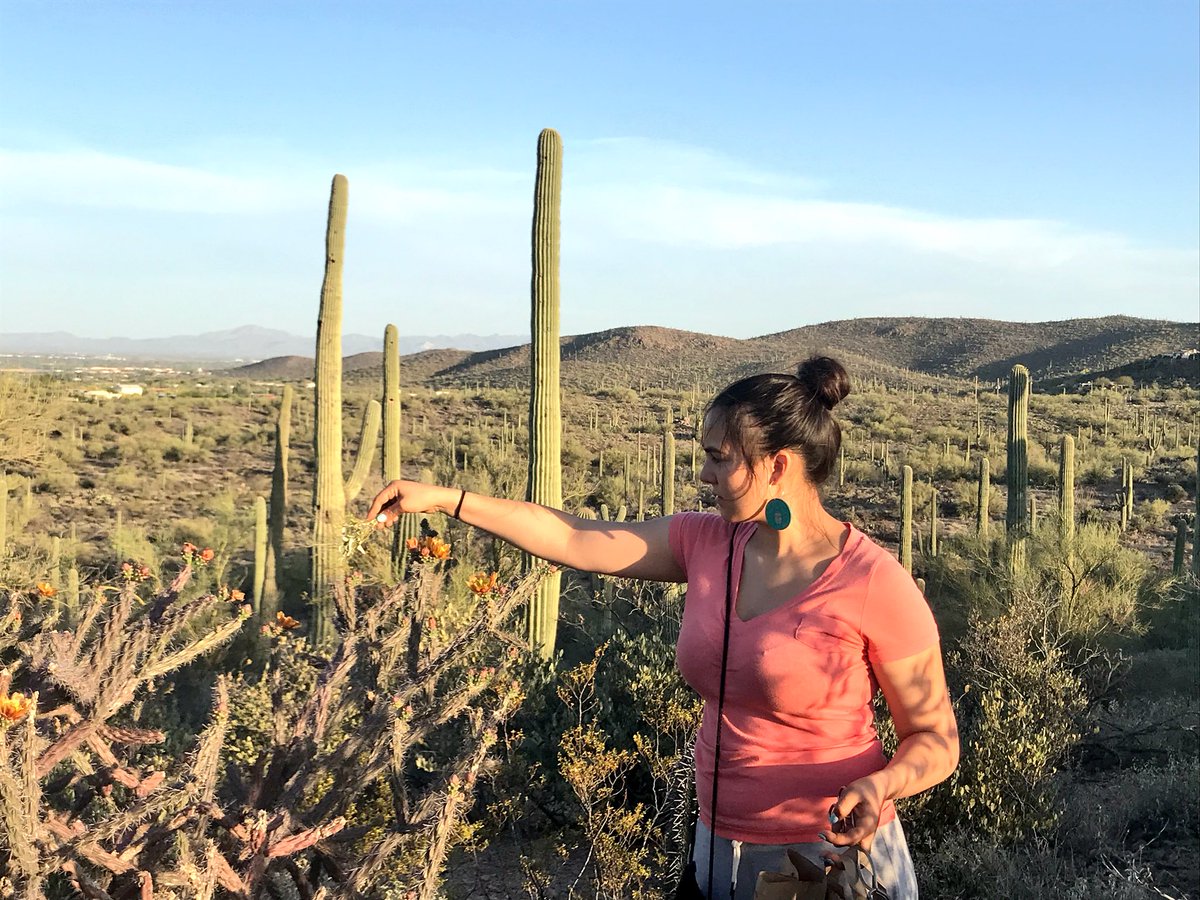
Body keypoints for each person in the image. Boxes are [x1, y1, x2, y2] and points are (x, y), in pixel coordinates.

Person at [366, 356, 959, 900]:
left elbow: (935, 737)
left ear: (777, 466)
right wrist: (446, 499)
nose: (704, 474)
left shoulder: (874, 582)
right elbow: (575, 538)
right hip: (715, 849)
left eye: (719, 458)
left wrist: (883, 786)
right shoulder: (704, 542)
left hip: (829, 860)